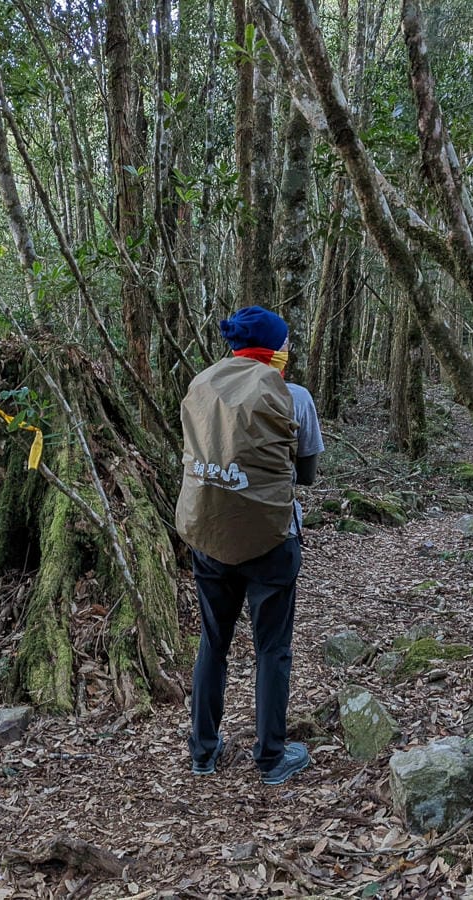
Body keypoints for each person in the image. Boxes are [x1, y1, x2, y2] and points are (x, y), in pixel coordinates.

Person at [187, 306, 324, 785]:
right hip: (272, 539)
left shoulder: (203, 385)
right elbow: (305, 475)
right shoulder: (295, 395)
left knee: (214, 643)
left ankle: (203, 751)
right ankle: (270, 757)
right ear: (275, 349)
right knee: (272, 649)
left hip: (210, 536)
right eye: (285, 343)